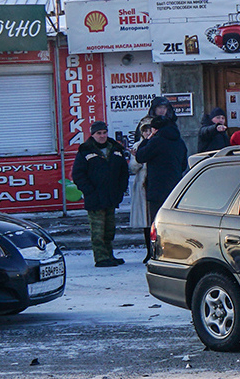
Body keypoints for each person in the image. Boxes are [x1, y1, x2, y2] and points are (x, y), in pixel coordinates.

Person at [70, 121, 130, 267]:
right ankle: (101, 258)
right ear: (93, 135)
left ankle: (109, 255)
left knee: (109, 230)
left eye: (104, 132)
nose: (102, 136)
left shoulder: (116, 149)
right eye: (99, 133)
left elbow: (123, 172)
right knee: (98, 231)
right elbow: (78, 175)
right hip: (95, 198)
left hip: (111, 197)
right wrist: (90, 191)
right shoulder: (85, 150)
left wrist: (120, 190)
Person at [135, 99, 190, 259]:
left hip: (157, 189)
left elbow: (140, 156)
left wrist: (147, 139)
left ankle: (157, 254)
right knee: (173, 222)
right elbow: (182, 165)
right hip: (175, 188)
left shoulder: (156, 141)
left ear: (155, 129)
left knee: (157, 223)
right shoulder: (178, 141)